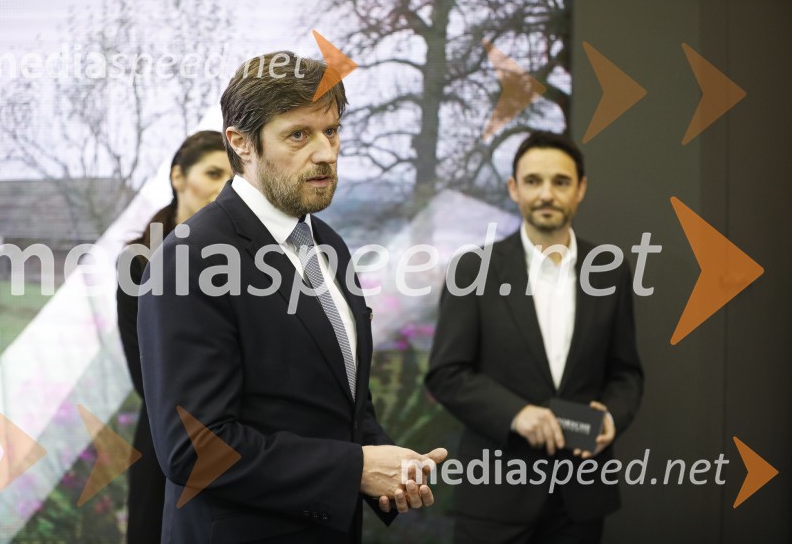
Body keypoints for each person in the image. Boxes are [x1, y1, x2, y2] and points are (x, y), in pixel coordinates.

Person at [137, 51, 446, 544]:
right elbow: (194, 449)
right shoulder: (190, 257)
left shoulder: (327, 242)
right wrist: (355, 469)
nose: (325, 152)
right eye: (298, 135)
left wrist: (389, 464)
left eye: (332, 131)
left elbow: (343, 401)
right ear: (240, 143)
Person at [426, 131, 644, 544]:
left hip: (581, 500)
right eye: (533, 181)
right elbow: (447, 374)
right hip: (495, 498)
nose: (546, 194)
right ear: (514, 188)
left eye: (560, 182)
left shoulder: (610, 272)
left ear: (580, 189)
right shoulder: (473, 270)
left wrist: (611, 417)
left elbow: (626, 374)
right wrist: (516, 414)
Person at [116, 130, 232, 543]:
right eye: (213, 172)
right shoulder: (140, 261)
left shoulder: (247, 261)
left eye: (232, 175)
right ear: (178, 177)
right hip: (167, 440)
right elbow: (144, 373)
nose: (223, 185)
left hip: (239, 445)